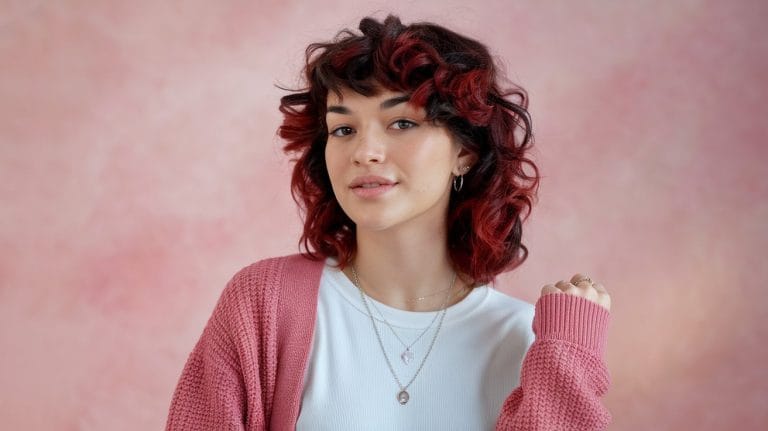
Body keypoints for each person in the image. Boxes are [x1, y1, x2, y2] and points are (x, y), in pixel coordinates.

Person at [165, 14, 612, 431]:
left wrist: (567, 359)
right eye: (343, 130)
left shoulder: (527, 341)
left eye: (401, 122)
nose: (365, 152)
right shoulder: (263, 303)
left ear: (465, 152)